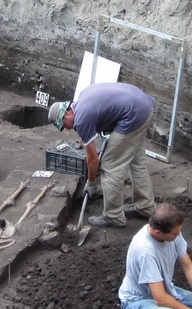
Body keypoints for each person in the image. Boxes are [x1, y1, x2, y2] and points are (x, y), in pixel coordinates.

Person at [48, 82, 157, 228]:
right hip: (142, 107)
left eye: (64, 124)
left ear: (67, 113)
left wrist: (91, 183)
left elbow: (93, 159)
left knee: (110, 164)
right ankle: (145, 207)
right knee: (136, 162)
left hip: (133, 115)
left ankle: (113, 216)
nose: (68, 128)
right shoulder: (83, 97)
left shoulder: (81, 119)